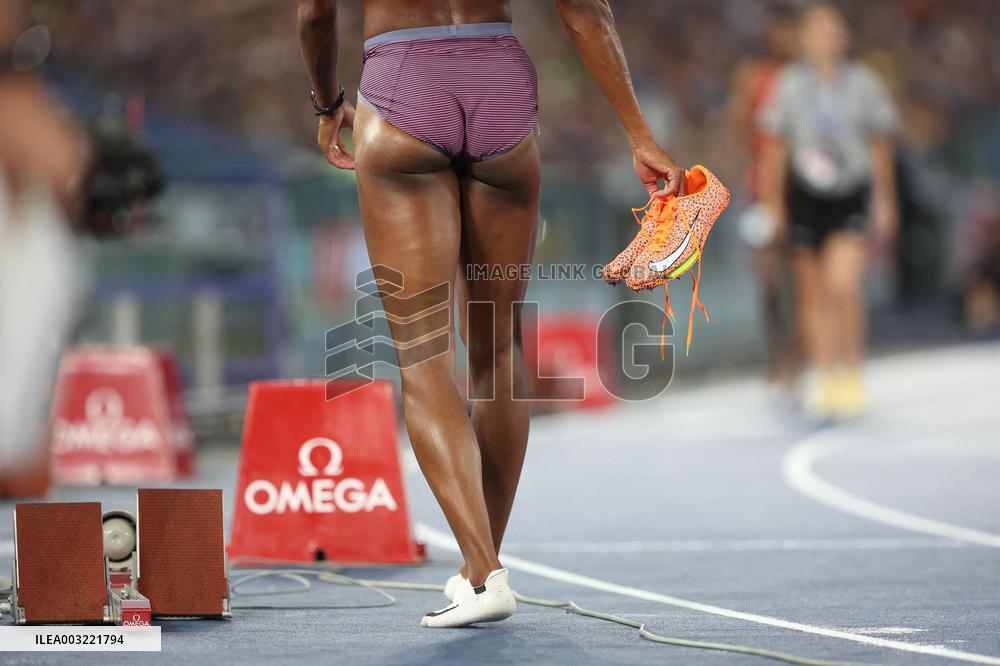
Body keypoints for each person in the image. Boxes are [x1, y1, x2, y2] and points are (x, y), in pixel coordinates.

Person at [295, 0, 683, 627]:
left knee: (425, 358)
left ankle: (486, 571)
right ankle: (481, 571)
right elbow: (585, 9)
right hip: (500, 87)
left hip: (401, 85)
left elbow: (315, 13)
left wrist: (326, 100)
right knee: (499, 350)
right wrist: (639, 134)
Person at [759, 2, 898, 420]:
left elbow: (878, 146)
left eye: (830, 29)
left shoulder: (864, 84)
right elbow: (775, 149)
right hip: (804, 195)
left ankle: (851, 371)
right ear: (803, 38)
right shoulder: (787, 84)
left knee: (844, 285)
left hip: (848, 192)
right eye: (815, 30)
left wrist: (885, 201)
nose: (823, 37)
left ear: (843, 37)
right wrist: (773, 203)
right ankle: (824, 376)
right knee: (812, 291)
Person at [725, 5, 799, 393]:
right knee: (768, 278)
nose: (783, 37)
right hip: (760, 187)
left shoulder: (806, 77)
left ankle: (801, 354)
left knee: (802, 275)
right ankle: (778, 352)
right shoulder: (753, 76)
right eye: (778, 29)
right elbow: (738, 125)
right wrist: (752, 168)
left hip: (802, 188)